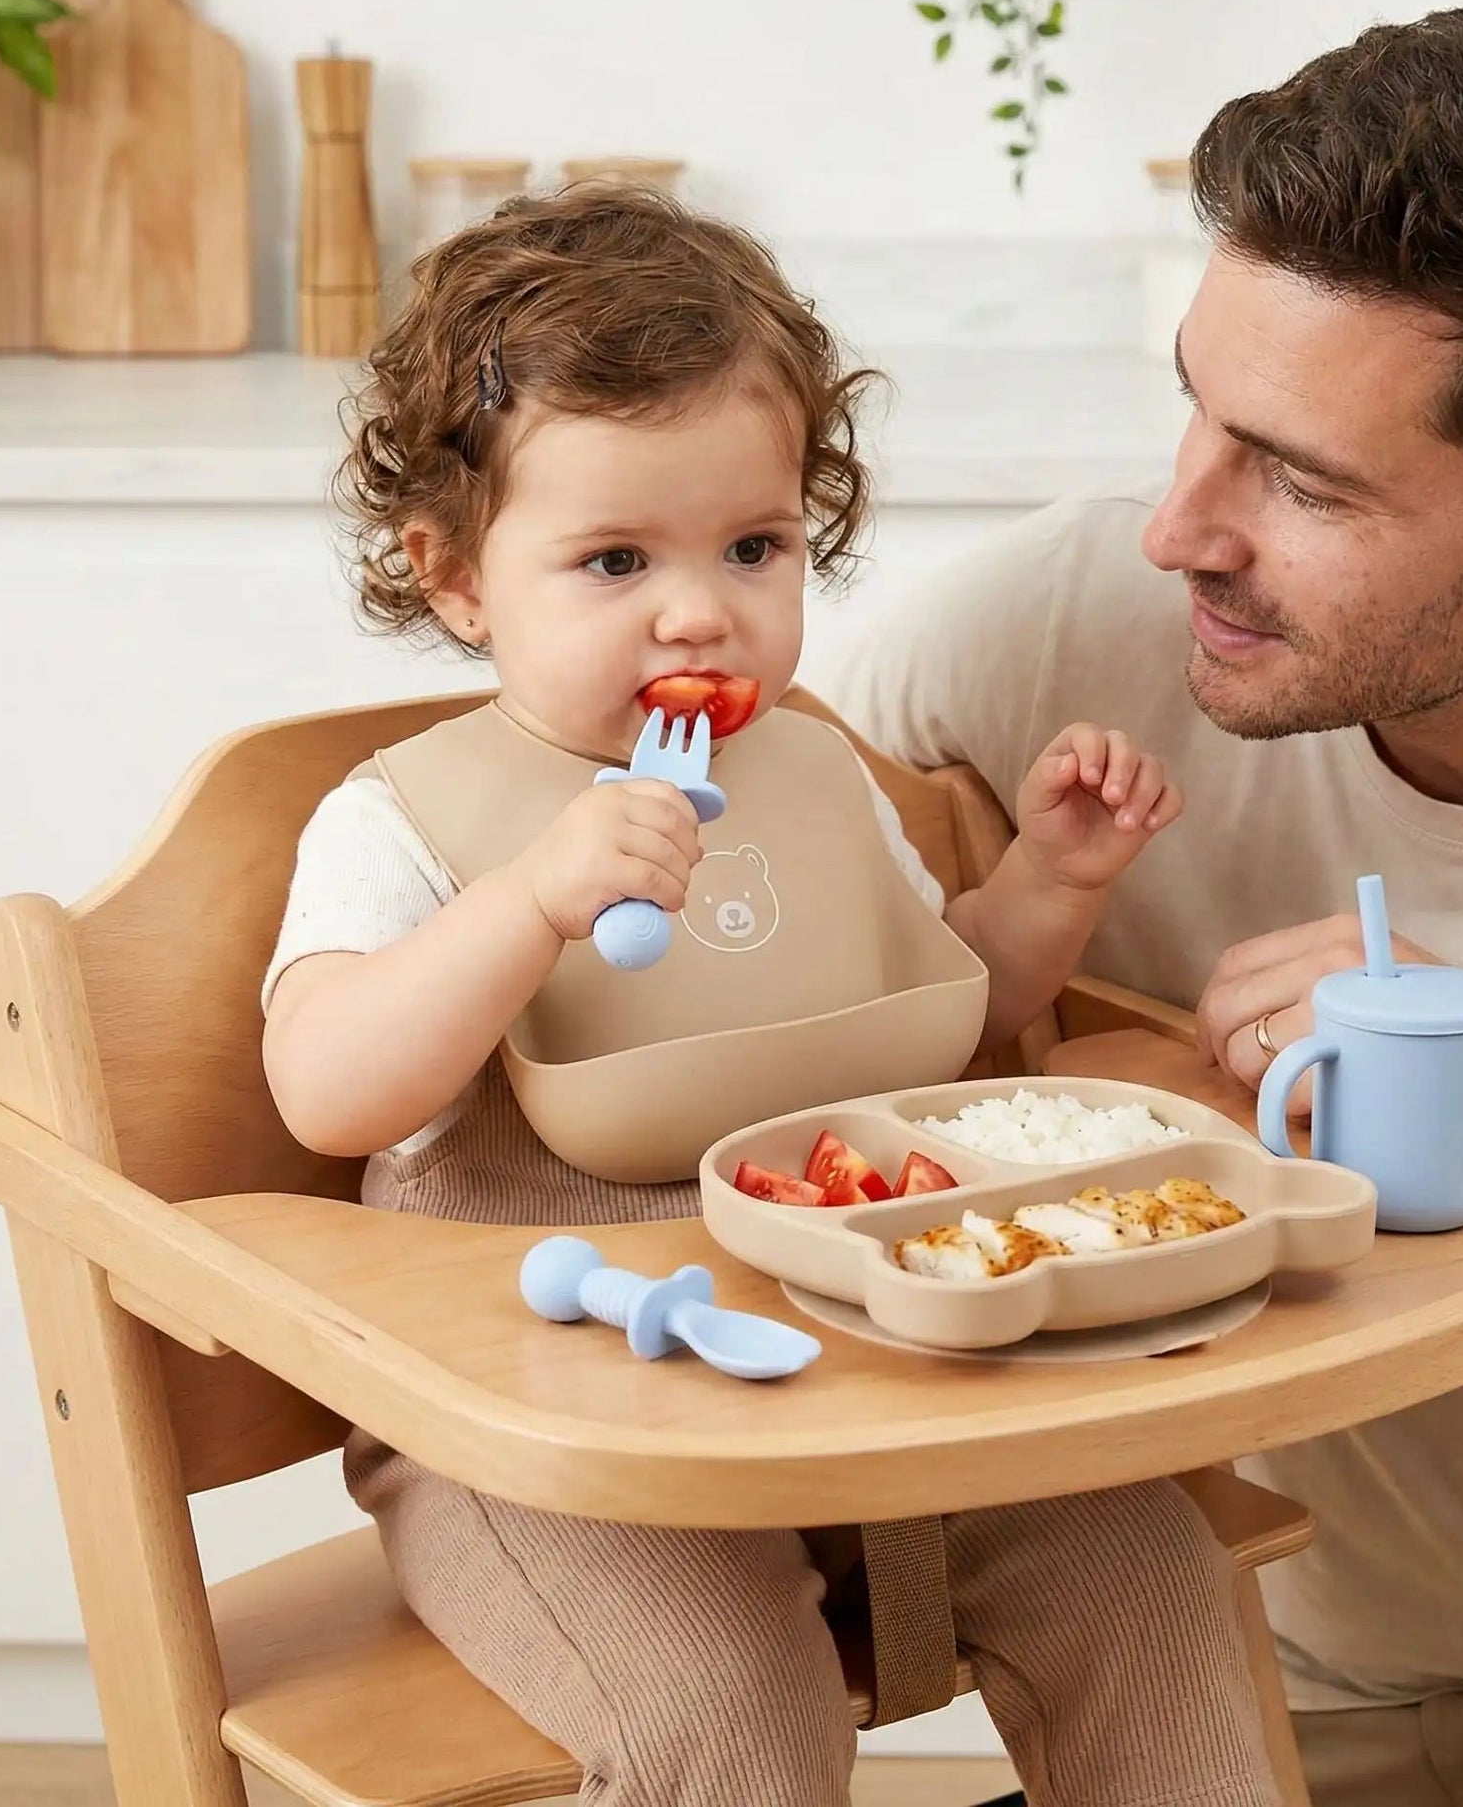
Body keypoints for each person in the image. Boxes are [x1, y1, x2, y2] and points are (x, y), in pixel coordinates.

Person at [840, 2, 1463, 1806]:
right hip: (1201, 1671)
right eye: (1196, 409)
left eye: (1298, 478)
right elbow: (727, 936)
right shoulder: (1053, 632)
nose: (1174, 526)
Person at [259, 182, 1283, 1807]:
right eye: (612, 559)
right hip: (543, 1438)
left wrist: (1050, 885)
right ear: (454, 578)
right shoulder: (404, 817)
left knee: (1148, 1575)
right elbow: (328, 1089)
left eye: (753, 545)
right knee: (727, 1707)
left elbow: (943, 999)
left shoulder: (812, 769)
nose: (701, 609)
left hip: (864, 1360)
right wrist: (530, 904)